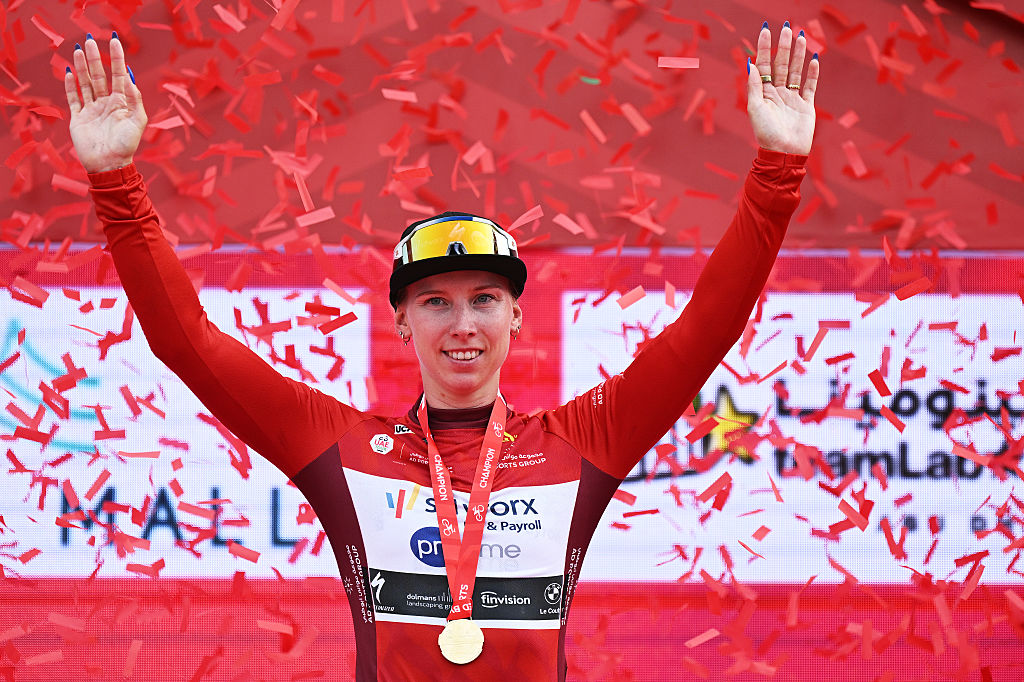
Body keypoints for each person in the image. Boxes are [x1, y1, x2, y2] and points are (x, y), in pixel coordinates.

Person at [66, 22, 818, 682]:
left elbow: (705, 332)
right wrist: (115, 180)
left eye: (484, 299)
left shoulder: (584, 442)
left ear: (517, 315)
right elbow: (186, 342)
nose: (463, 323)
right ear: (401, 323)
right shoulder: (344, 450)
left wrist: (777, 171)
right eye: (435, 302)